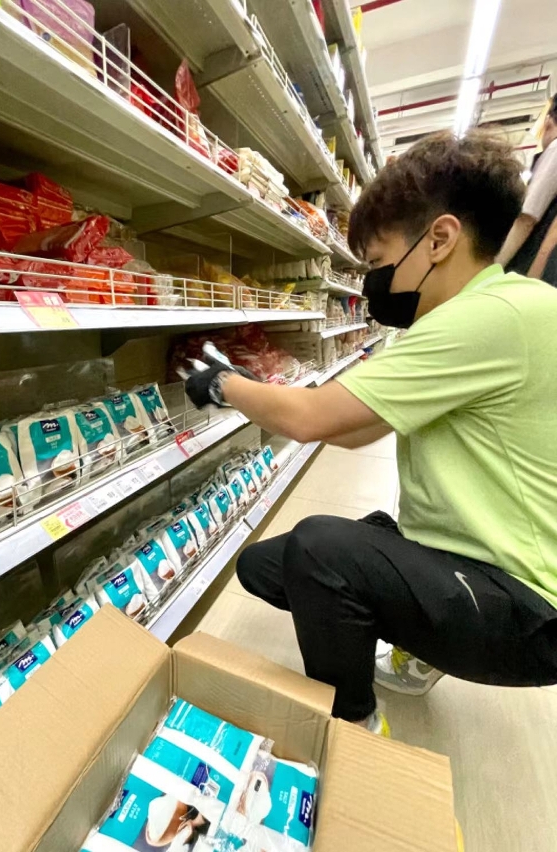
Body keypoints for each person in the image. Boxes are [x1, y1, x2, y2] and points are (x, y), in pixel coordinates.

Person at [184, 130, 557, 734]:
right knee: (266, 565)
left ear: (440, 239)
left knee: (320, 550)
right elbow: (355, 431)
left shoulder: (482, 319)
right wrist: (264, 391)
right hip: (482, 559)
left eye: (380, 262)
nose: (373, 281)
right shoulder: (510, 304)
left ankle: (355, 725)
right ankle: (418, 642)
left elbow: (311, 419)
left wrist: (225, 384)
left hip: (529, 607)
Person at [497, 94, 557, 285]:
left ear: (548, 121)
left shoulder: (555, 149)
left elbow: (526, 219)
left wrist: (494, 268)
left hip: (533, 270)